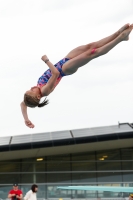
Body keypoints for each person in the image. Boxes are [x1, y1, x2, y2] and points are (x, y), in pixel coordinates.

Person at [20, 23, 133, 128]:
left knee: (90, 45)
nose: (31, 88)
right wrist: (46, 60)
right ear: (38, 97)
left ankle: (117, 33)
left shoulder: (35, 93)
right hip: (65, 69)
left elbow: (23, 103)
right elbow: (55, 73)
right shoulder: (44, 91)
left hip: (63, 60)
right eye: (31, 90)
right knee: (92, 53)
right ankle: (120, 38)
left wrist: (26, 119)